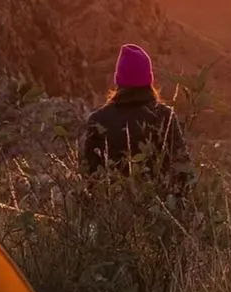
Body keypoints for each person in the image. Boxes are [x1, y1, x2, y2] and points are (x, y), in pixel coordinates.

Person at [81, 44, 189, 187]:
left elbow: (90, 177)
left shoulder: (98, 120)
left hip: (112, 199)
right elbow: (184, 172)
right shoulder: (165, 116)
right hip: (157, 199)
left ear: (119, 80)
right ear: (148, 80)